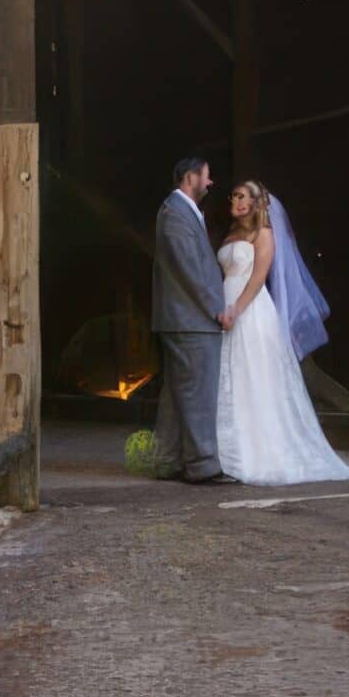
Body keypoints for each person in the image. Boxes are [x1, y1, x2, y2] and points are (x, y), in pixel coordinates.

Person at [213, 179, 349, 486]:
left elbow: (259, 278)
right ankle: (228, 453)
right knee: (229, 377)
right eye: (234, 195)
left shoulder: (264, 234)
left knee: (255, 377)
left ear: (256, 202)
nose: (237, 201)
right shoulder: (232, 234)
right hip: (226, 305)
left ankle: (260, 453)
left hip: (251, 310)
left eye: (244, 196)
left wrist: (236, 309)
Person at [150, 157, 230, 484]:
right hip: (190, 319)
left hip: (185, 318)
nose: (211, 183)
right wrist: (217, 308)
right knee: (199, 392)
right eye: (207, 177)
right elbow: (189, 269)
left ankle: (168, 460)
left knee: (177, 392)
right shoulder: (174, 214)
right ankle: (202, 466)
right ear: (190, 177)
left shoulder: (181, 212)